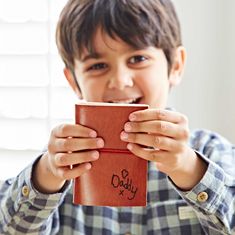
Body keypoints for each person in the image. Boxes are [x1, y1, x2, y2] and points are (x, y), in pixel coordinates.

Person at [0, 0, 235, 234]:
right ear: (73, 81)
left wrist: (188, 168)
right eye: (98, 65)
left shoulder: (211, 152)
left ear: (175, 66)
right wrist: (46, 176)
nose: (120, 80)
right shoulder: (62, 166)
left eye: (138, 59)